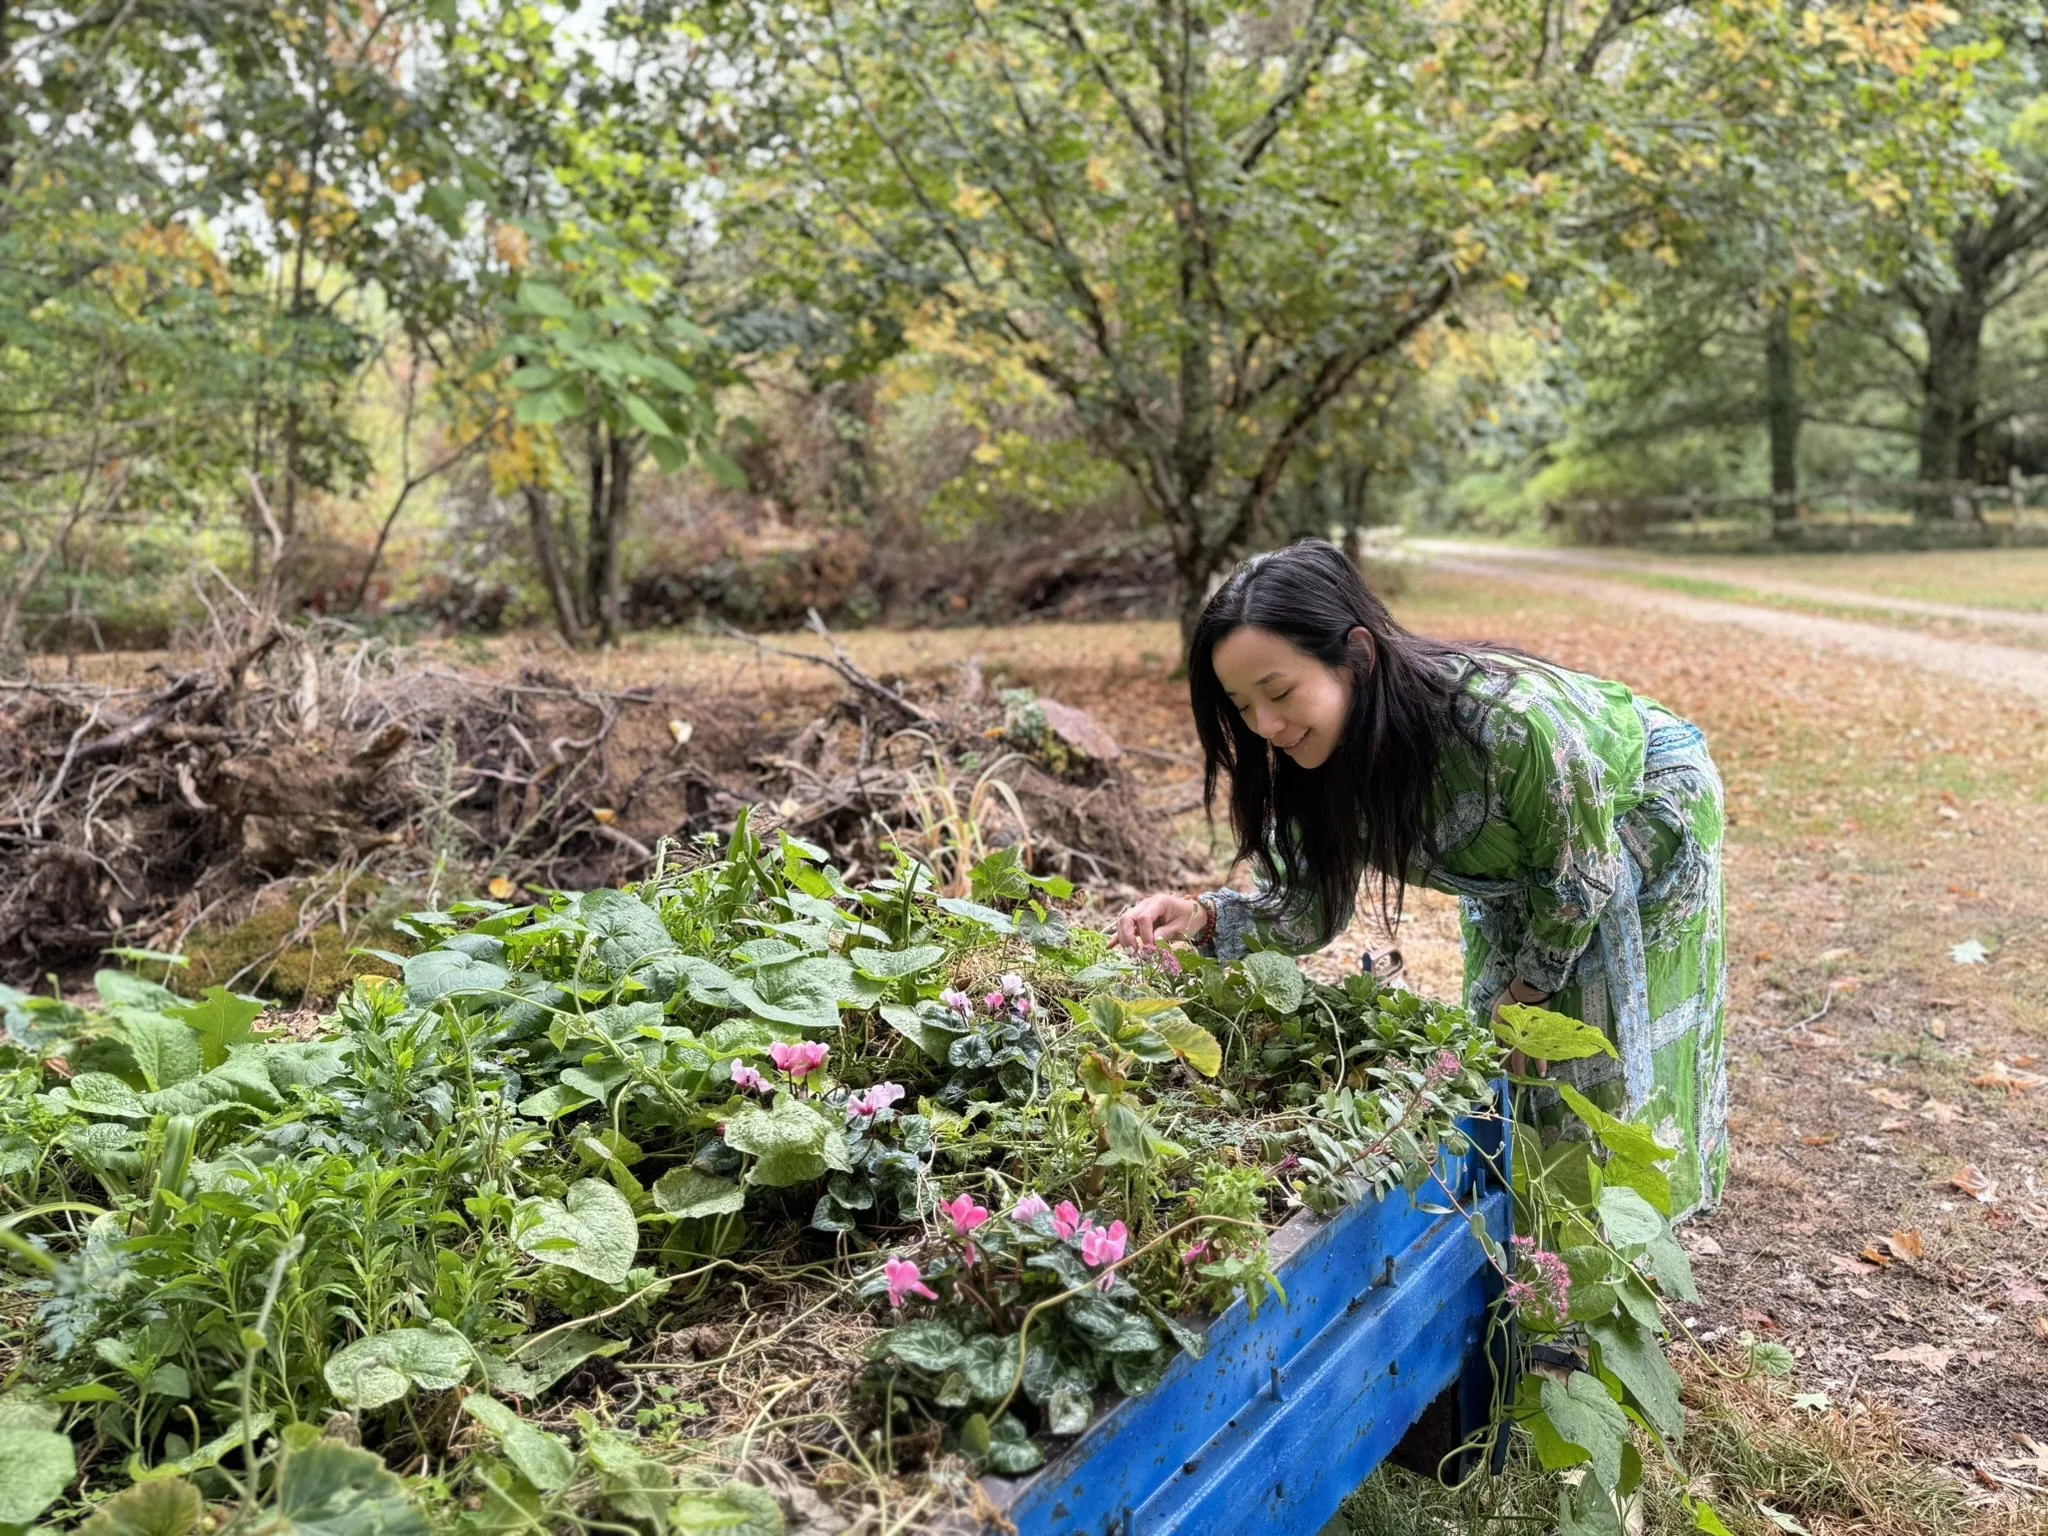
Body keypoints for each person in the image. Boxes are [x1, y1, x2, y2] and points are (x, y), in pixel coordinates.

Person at [1115, 539, 1726, 1219]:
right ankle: (1536, 1229)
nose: (1264, 726)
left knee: (1589, 1037)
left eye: (1280, 692)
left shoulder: (1508, 727)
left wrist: (1529, 988)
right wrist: (1200, 918)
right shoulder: (1308, 761)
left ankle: (1622, 1231)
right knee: (1508, 1045)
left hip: (1639, 806)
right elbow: (1308, 912)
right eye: (1242, 705)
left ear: (1357, 656)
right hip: (1527, 867)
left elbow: (1581, 879)